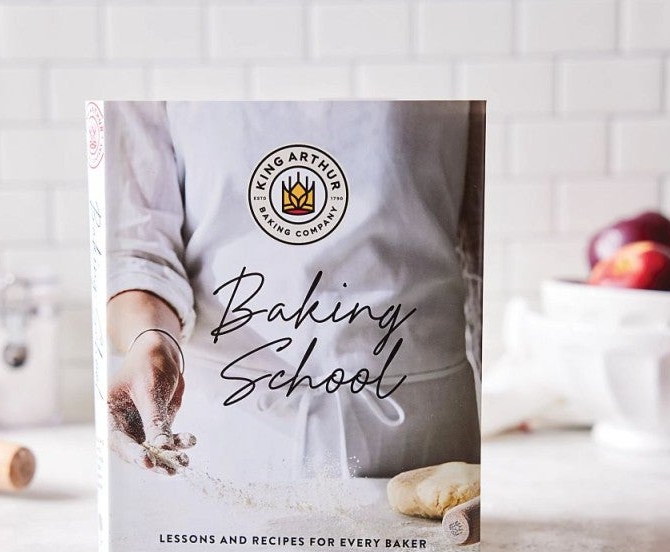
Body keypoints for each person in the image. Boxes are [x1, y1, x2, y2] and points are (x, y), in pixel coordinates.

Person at [106, 101, 482, 481]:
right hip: (225, 438)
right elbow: (139, 250)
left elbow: (480, 239)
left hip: (423, 440)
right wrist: (150, 340)